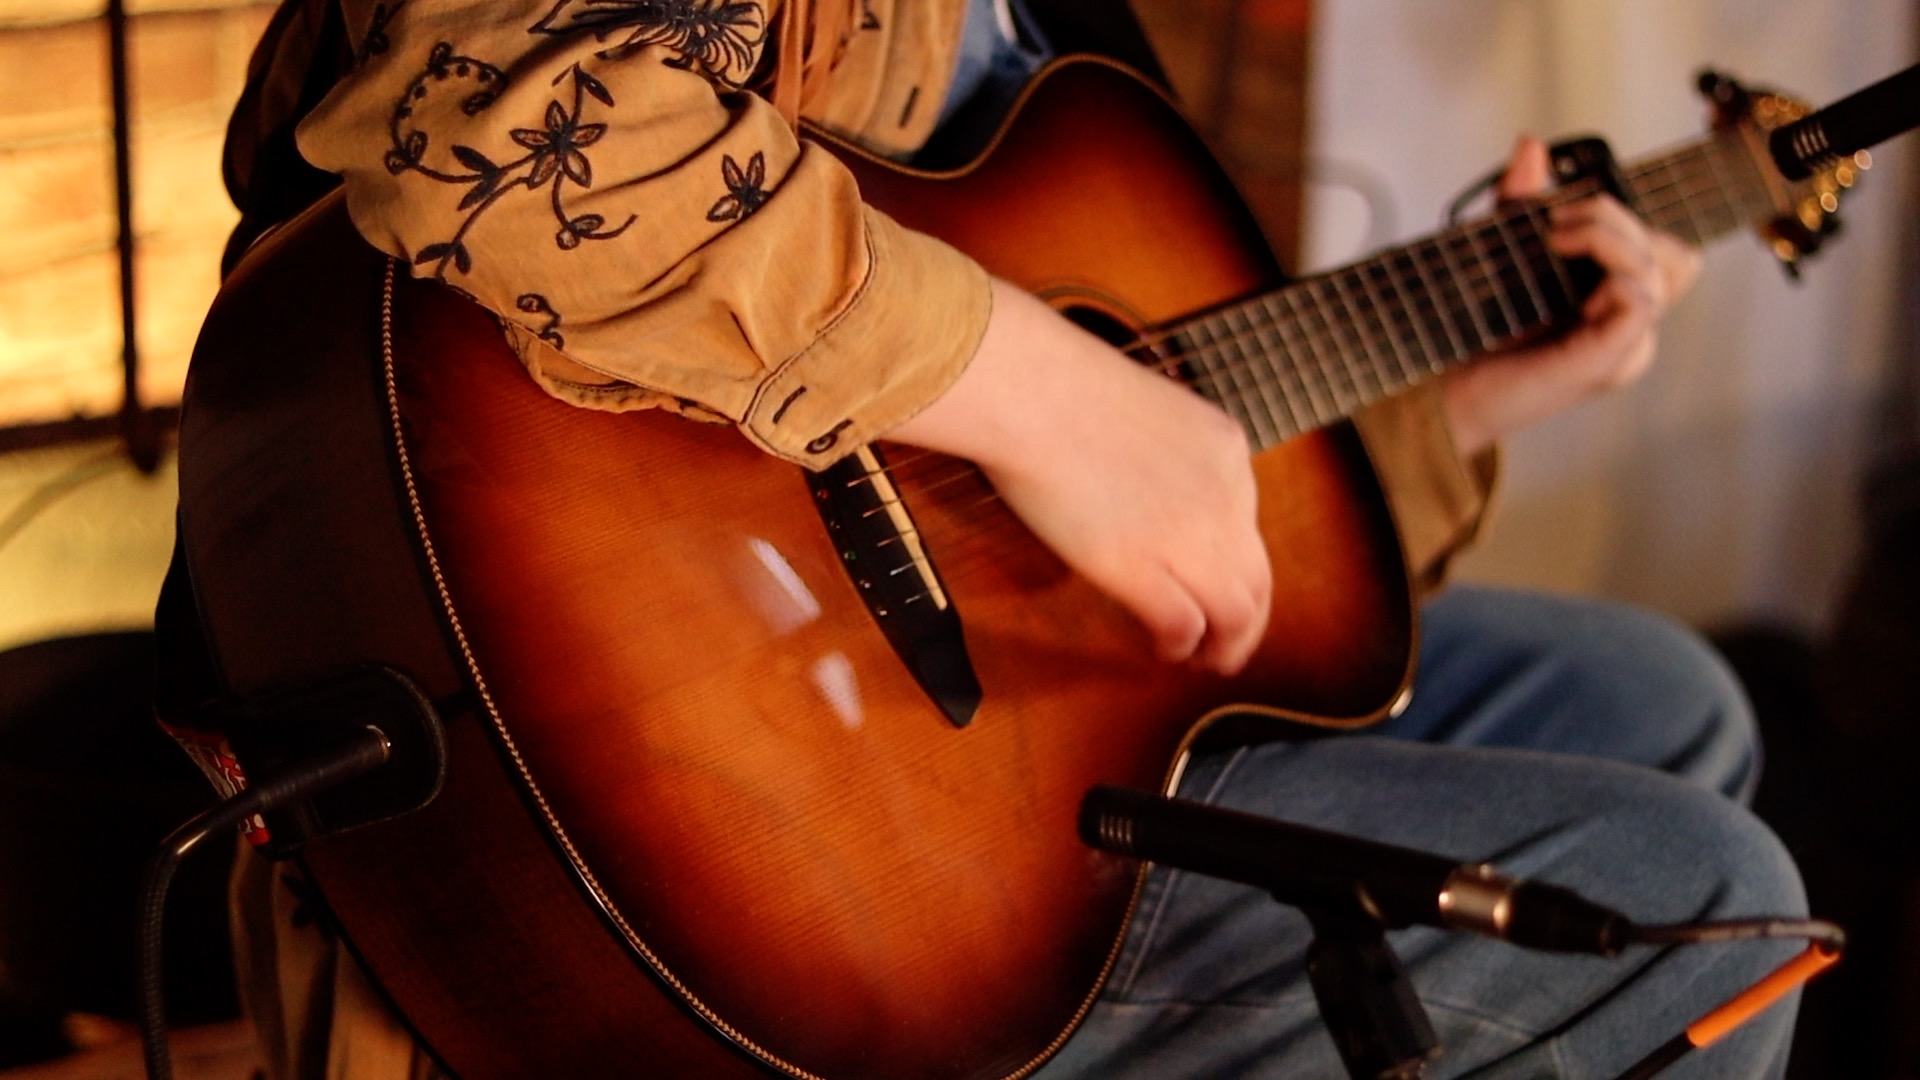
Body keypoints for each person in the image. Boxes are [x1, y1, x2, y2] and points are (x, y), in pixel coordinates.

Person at [201, 0, 1808, 1076]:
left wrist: (1462, 399)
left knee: (1654, 700)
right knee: (1698, 883)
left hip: (997, 725)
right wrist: (1049, 404)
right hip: (728, 816)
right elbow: (504, 110)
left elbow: (1158, 424)